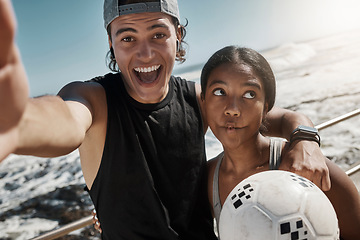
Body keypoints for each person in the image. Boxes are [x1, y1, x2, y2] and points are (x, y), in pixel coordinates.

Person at [0, 0, 331, 239]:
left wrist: (304, 138)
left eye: (158, 34)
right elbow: (64, 118)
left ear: (178, 37)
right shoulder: (95, 100)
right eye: (127, 37)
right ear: (112, 46)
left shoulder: (198, 98)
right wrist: (20, 121)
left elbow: (276, 117)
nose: (145, 53)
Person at [202, 46, 360, 239]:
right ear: (203, 101)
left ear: (266, 107)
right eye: (219, 92)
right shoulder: (209, 179)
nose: (232, 109)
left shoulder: (309, 170)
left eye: (249, 94)